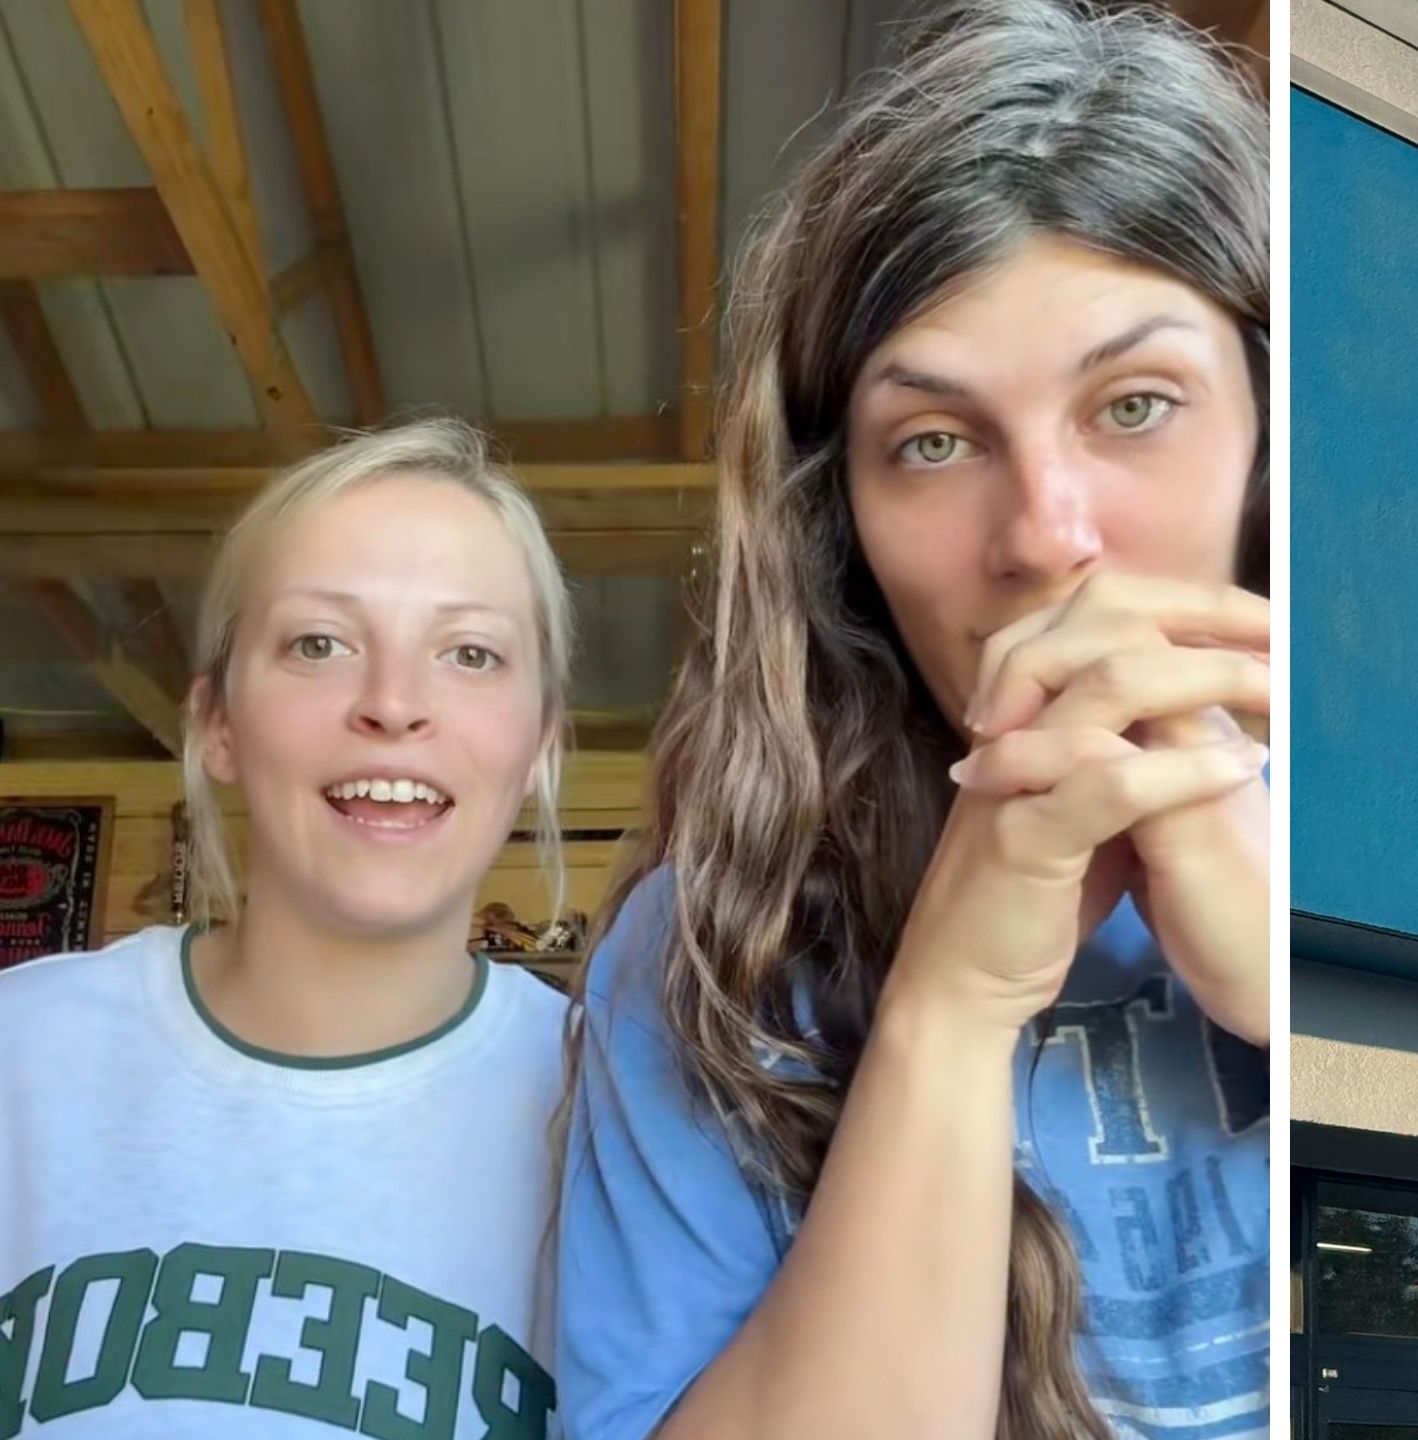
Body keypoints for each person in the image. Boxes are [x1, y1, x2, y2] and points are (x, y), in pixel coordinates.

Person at [555, 1, 1271, 1437]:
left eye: (1135, 406)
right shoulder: (710, 956)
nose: (1048, 538)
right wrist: (946, 1015)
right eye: (932, 443)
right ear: (840, 522)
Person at [0, 420, 576, 1437]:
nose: (394, 704)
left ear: (539, 743)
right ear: (217, 723)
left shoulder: (623, 1115)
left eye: (471, 653)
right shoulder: (21, 1053)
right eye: (321, 643)